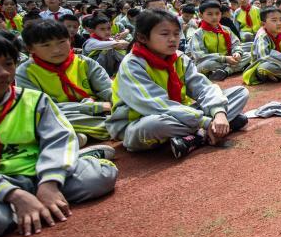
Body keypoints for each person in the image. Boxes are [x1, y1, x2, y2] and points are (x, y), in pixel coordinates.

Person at [0, 32, 118, 237]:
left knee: (99, 178)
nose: (3, 73)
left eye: (9, 63)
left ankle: (41, 192)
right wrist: (12, 194)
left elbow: (58, 138)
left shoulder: (33, 100)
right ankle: (15, 207)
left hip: (38, 173)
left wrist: (50, 182)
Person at [106, 9, 249, 159]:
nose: (173, 39)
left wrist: (218, 112)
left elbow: (203, 87)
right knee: (155, 124)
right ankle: (211, 130)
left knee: (240, 93)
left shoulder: (179, 58)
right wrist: (206, 122)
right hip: (141, 120)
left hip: (182, 113)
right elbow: (157, 105)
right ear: (142, 38)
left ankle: (196, 137)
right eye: (164, 34)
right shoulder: (132, 64)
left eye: (176, 33)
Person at [17, 20, 113, 144]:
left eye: (62, 42)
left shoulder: (85, 62)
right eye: (46, 45)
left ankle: (72, 137)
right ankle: (110, 128)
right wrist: (91, 107)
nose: (56, 50)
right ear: (30, 48)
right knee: (39, 118)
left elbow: (107, 89)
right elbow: (40, 108)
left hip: (98, 111)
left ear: (70, 40)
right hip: (66, 113)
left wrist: (118, 101)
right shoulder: (25, 72)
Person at [187, 0, 249, 82]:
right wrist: (224, 58)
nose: (214, 17)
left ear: (221, 14)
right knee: (208, 65)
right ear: (201, 15)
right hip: (212, 62)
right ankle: (232, 69)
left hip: (228, 59)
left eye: (217, 13)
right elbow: (200, 56)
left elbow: (236, 43)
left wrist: (237, 53)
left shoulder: (226, 29)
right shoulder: (198, 34)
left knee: (247, 55)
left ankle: (225, 71)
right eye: (210, 14)